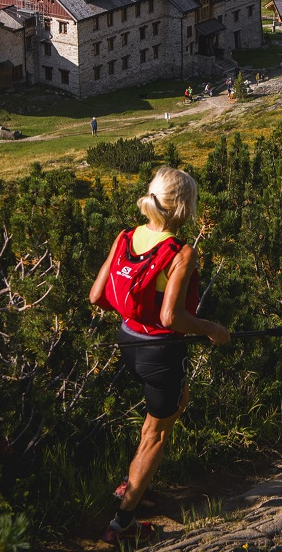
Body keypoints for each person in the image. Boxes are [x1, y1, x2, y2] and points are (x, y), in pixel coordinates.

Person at [88, 167, 230, 543]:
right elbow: (172, 316)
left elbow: (95, 295)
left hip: (127, 340)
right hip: (161, 351)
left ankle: (135, 483)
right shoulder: (180, 252)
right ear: (183, 207)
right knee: (157, 434)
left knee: (169, 405)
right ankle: (123, 522)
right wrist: (213, 329)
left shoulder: (125, 237)